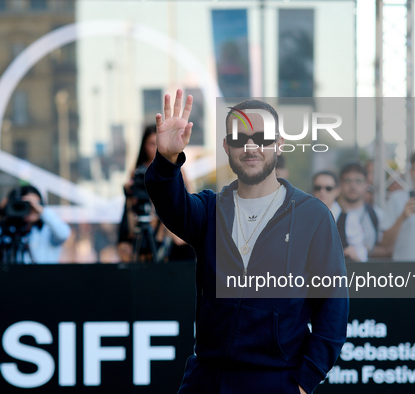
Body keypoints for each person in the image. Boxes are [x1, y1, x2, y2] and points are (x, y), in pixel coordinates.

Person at [145, 90, 348, 394]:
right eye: (240, 138)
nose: (251, 146)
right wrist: (167, 159)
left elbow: (333, 305)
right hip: (207, 380)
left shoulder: (313, 215)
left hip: (277, 380)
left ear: (278, 144)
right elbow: (170, 204)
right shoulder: (211, 209)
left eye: (262, 137)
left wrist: (305, 382)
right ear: (226, 147)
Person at [118, 125, 195, 263]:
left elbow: (189, 201)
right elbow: (128, 222)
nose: (155, 148)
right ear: (144, 146)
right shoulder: (138, 173)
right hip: (145, 228)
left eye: (158, 144)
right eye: (151, 144)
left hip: (169, 230)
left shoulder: (176, 170)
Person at [0, 185, 71, 264]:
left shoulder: (47, 230)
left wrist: (41, 211)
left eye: (35, 204)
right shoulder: (7, 230)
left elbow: (63, 234)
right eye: (24, 204)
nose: (31, 208)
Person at [312, 170, 367, 261]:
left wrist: (353, 253)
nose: (322, 192)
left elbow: (362, 254)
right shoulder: (305, 218)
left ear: (337, 191)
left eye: (328, 188)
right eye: (318, 188)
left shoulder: (349, 219)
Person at [337, 162, 388, 261]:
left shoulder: (376, 214)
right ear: (340, 184)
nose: (353, 185)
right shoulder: (331, 213)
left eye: (358, 181)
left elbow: (386, 249)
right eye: (347, 181)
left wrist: (367, 250)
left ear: (366, 184)